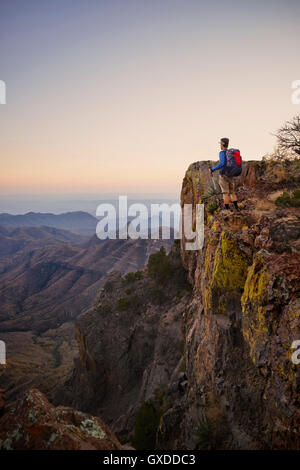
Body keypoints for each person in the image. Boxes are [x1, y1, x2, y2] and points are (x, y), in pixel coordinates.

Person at [210, 137, 239, 211]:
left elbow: (222, 164)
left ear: (223, 144)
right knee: (232, 192)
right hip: (231, 174)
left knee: (225, 193)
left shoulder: (222, 153)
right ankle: (237, 208)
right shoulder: (231, 153)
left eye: (220, 143)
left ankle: (227, 210)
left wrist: (212, 169)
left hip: (224, 175)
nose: (220, 145)